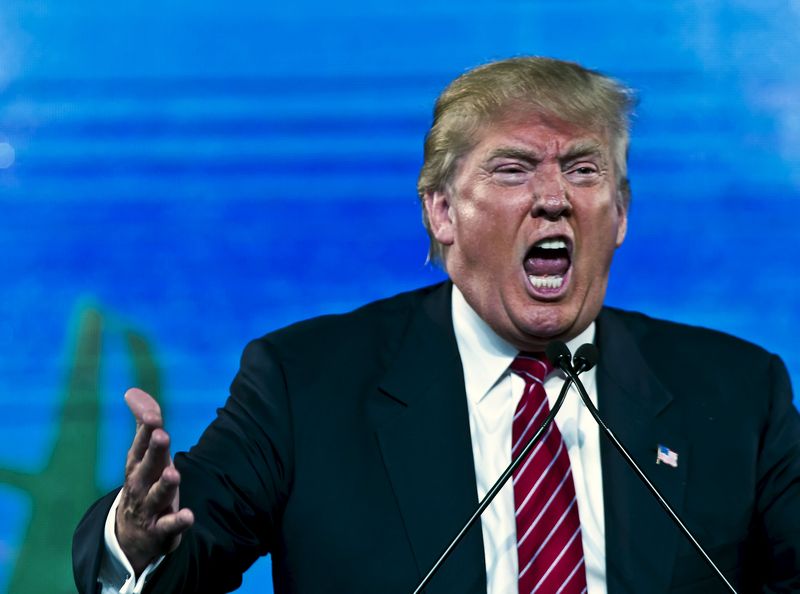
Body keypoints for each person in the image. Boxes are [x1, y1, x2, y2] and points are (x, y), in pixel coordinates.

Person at [73, 57, 800, 594]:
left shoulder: (738, 392)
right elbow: (180, 556)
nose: (554, 199)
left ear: (622, 215)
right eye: (514, 170)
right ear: (442, 213)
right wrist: (134, 538)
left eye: (583, 170)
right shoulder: (306, 384)